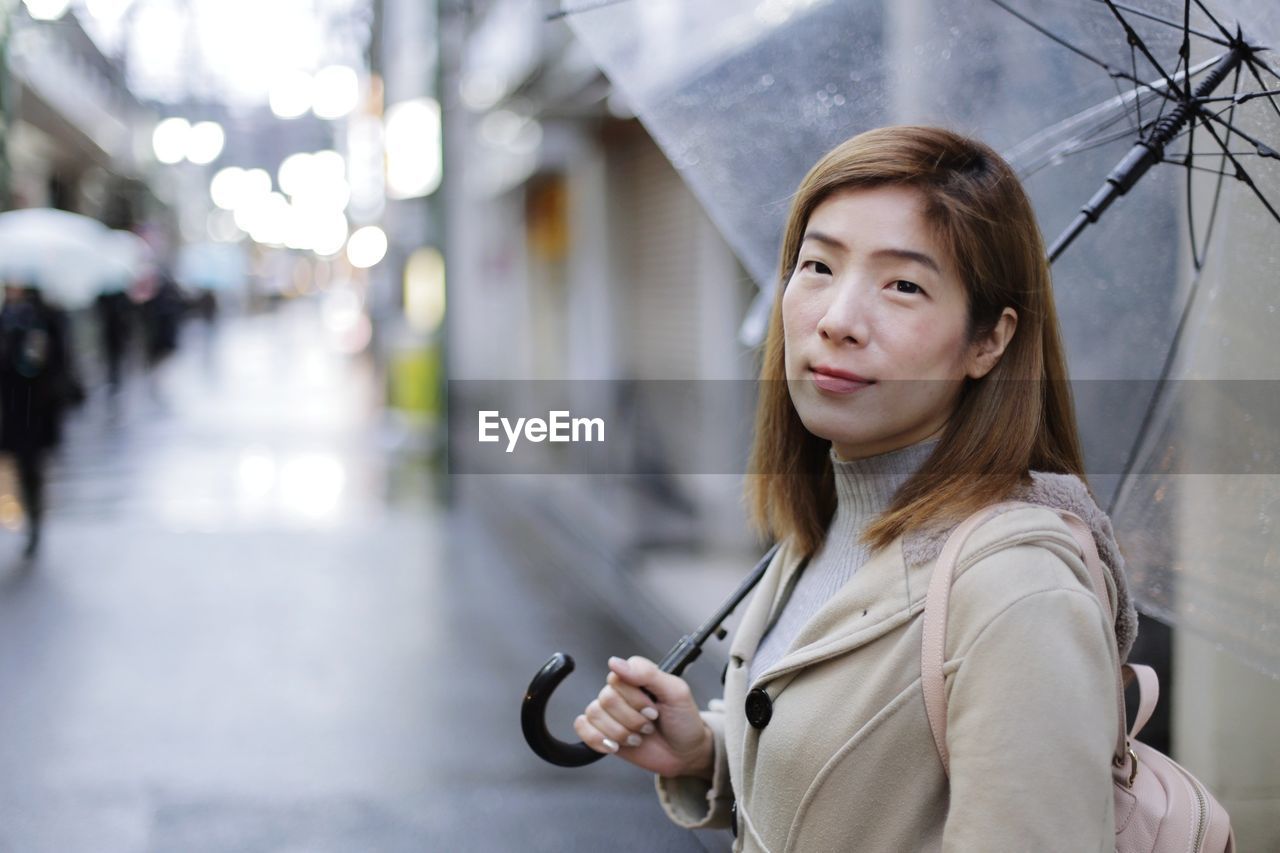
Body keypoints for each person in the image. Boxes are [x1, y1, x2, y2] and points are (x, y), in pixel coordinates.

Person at [573, 126, 1140, 851]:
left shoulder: (1017, 592)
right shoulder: (830, 519)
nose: (838, 320)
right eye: (817, 266)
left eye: (903, 284)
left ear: (988, 341)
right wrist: (707, 751)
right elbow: (886, 791)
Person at [0, 284, 78, 558]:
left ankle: (33, 519)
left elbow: (48, 362)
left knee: (30, 465)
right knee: (21, 464)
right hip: (12, 407)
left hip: (35, 408)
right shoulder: (9, 317)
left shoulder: (46, 318)